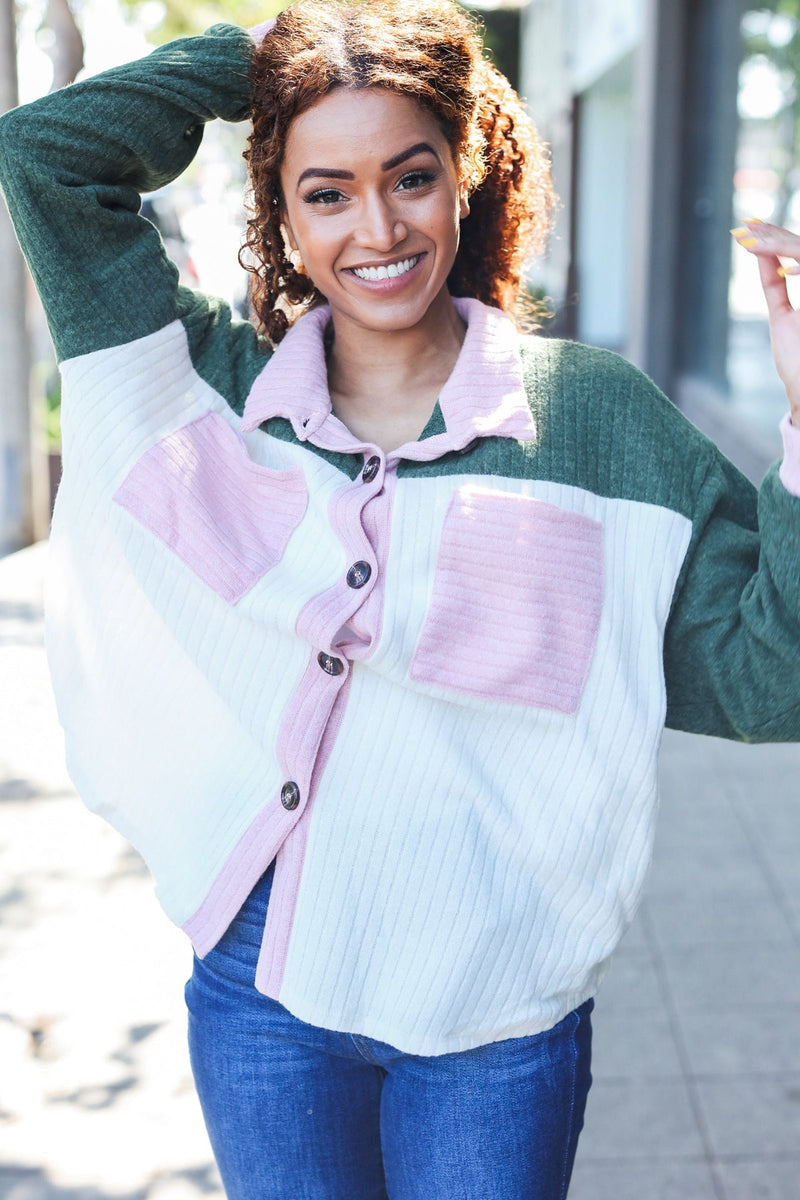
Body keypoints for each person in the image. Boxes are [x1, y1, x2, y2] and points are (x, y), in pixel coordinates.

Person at [0, 2, 798, 1196]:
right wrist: (262, 64)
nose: (375, 226)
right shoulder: (196, 381)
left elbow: (764, 679)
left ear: (463, 175)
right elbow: (45, 155)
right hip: (262, 987)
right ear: (278, 210)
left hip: (494, 1020)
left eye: (409, 176)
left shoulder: (591, 420)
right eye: (325, 190)